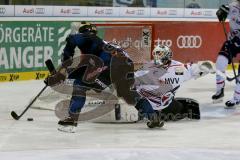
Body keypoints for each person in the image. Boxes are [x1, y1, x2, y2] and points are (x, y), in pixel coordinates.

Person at [45, 22, 137, 132]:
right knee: (127, 94)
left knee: (80, 85)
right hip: (126, 70)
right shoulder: (101, 45)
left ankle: (71, 119)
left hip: (109, 68)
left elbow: (72, 41)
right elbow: (83, 70)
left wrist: (61, 72)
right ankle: (154, 113)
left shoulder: (86, 37)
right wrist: (62, 76)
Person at [134, 45, 214, 128]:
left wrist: (206, 66)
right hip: (150, 105)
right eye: (156, 55)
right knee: (134, 97)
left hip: (166, 106)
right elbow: (132, 82)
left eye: (160, 55)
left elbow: (194, 69)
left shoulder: (178, 68)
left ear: (168, 56)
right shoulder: (147, 68)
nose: (158, 58)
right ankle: (153, 118)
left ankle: (155, 116)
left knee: (181, 107)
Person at [213, 0, 240, 108]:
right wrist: (221, 12)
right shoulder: (233, 5)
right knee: (220, 62)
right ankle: (220, 90)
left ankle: (236, 98)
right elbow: (223, 10)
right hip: (232, 40)